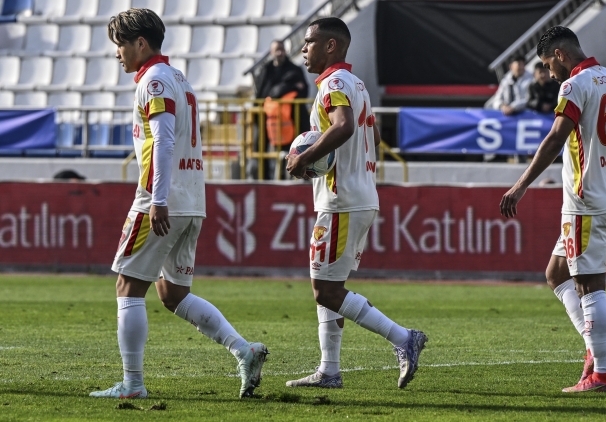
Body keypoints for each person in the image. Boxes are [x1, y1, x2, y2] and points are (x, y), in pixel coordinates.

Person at [89, 8, 268, 400]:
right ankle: (245, 350)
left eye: (120, 44)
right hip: (191, 200)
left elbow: (164, 140)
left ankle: (133, 384)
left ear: (140, 43)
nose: (117, 53)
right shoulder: (178, 78)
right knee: (172, 294)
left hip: (161, 200)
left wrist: (157, 199)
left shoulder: (153, 81)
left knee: (127, 285)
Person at [499, 26, 606, 393]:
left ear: (559, 55)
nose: (549, 73)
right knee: (557, 274)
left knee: (589, 285)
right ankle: (594, 348)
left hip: (585, 202)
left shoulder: (574, 86)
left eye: (547, 64)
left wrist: (521, 185)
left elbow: (556, 137)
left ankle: (604, 373)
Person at [285, 17, 427, 389]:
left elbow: (344, 126)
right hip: (357, 195)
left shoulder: (333, 84)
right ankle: (329, 370)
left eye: (309, 41)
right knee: (326, 285)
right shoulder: (355, 83)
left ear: (330, 45)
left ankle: (403, 338)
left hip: (342, 199)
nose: (303, 48)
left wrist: (306, 157)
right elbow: (373, 135)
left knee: (326, 290)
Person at [250, 40, 309, 180]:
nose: (280, 52)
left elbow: (303, 90)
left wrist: (279, 91)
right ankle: (262, 179)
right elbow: (261, 93)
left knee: (294, 147)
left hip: (292, 117)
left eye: (282, 49)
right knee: (260, 147)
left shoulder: (294, 69)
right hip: (268, 117)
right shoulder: (266, 70)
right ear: (271, 52)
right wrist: (286, 89)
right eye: (277, 49)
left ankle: (295, 177)